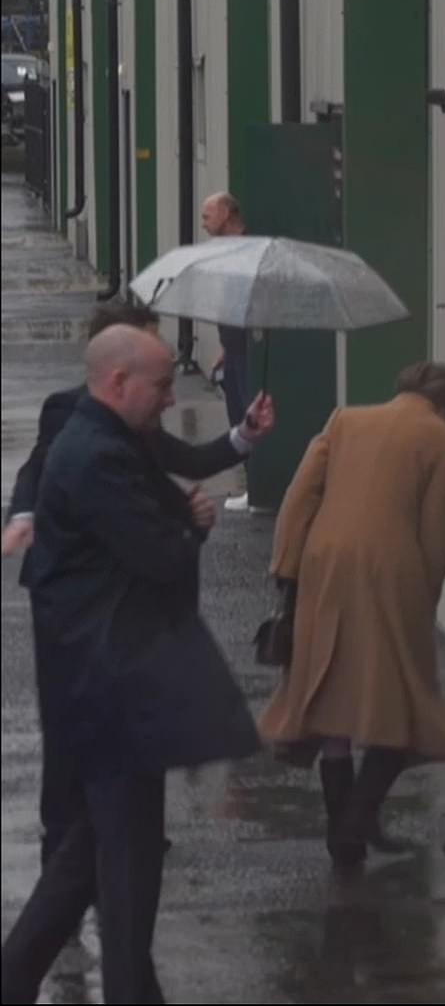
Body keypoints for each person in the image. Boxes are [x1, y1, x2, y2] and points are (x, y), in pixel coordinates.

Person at [1, 326, 260, 1004]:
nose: (172, 397)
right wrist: (193, 524)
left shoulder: (113, 440)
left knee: (98, 851)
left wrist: (185, 508)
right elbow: (159, 553)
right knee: (124, 862)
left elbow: (161, 506)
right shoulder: (93, 452)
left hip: (111, 680)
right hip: (110, 682)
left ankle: (22, 973)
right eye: (163, 385)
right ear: (119, 383)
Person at [259, 362, 445, 867]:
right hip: (393, 569)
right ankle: (358, 816)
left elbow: (300, 495)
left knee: (330, 686)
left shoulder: (345, 420)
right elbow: (438, 529)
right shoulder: (444, 440)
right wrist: (427, 591)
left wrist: (288, 566)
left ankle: (346, 836)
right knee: (401, 693)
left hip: (324, 562)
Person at [200, 192, 250, 512]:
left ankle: (258, 488)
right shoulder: (226, 250)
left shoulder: (246, 249)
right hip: (233, 348)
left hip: (246, 348)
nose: (203, 223)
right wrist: (224, 346)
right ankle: (251, 483)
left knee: (248, 414)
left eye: (208, 216)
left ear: (229, 214)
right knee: (236, 416)